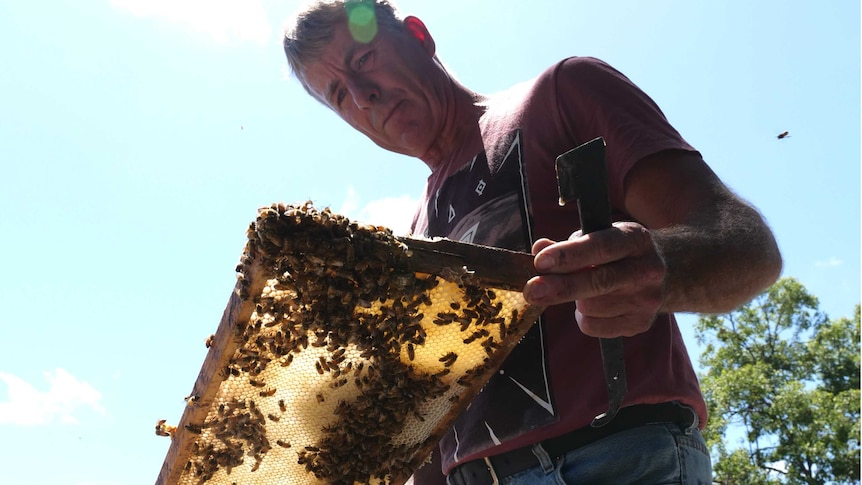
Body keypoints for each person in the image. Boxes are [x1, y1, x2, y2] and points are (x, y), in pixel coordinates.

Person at [282, 1, 783, 484]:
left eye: (364, 58)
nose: (363, 94)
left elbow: (748, 248)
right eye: (339, 94)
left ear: (418, 35)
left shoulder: (562, 94)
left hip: (613, 459)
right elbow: (435, 429)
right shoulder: (410, 246)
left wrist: (662, 269)